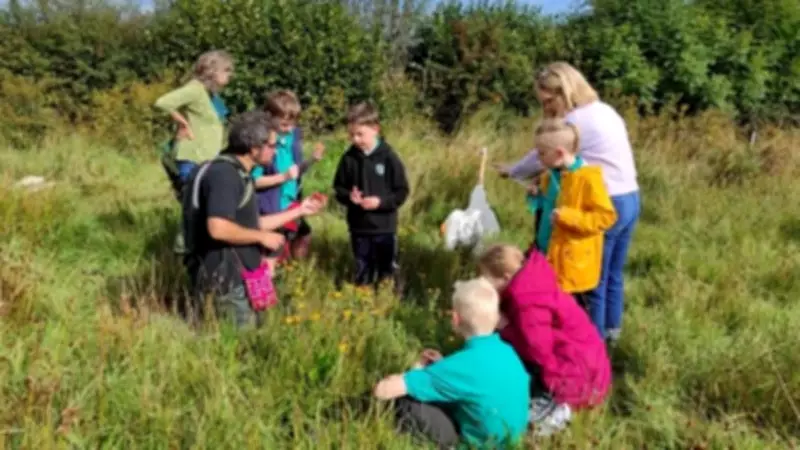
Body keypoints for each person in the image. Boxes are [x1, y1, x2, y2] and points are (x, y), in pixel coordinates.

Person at [496, 61, 641, 344]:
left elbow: (543, 154)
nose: (547, 109)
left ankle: (593, 345)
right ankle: (612, 335)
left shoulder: (576, 122)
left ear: (565, 92)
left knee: (592, 281)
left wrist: (513, 171)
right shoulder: (605, 110)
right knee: (613, 274)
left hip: (603, 201)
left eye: (549, 101)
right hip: (631, 198)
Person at [181, 111, 325, 328]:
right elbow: (218, 227)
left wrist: (300, 210)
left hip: (248, 274)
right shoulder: (224, 175)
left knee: (262, 330)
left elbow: (251, 223)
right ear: (254, 147)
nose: (276, 151)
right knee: (241, 341)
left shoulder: (241, 173)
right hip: (227, 278)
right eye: (272, 145)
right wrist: (262, 237)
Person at [373, 278, 530, 449]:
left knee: (408, 402)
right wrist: (442, 366)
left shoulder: (463, 364)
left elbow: (382, 391)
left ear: (455, 319)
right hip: (510, 441)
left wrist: (416, 370)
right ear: (497, 318)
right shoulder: (508, 351)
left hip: (479, 445)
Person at [478, 244, 611, 437]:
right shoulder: (531, 282)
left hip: (578, 374)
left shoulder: (527, 301)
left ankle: (558, 408)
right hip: (586, 361)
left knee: (527, 423)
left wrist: (505, 328)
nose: (485, 286)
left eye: (487, 280)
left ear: (505, 277)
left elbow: (537, 351)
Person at [527, 118, 617, 302]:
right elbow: (545, 208)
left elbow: (605, 217)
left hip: (571, 263)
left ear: (559, 153)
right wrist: (535, 196)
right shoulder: (549, 176)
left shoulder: (588, 178)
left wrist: (567, 217)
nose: (538, 158)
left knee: (570, 309)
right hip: (547, 252)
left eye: (542, 153)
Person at [332, 102, 409, 287]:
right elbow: (338, 188)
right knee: (362, 268)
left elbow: (402, 191)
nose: (355, 139)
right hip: (359, 227)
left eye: (360, 134)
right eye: (351, 135)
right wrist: (349, 197)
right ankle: (362, 297)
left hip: (384, 227)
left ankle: (388, 297)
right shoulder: (348, 158)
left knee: (386, 270)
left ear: (375, 129)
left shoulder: (389, 157)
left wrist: (380, 202)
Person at [251, 90, 325, 271]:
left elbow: (295, 171)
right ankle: (266, 283)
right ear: (269, 118)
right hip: (272, 206)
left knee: (303, 234)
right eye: (284, 124)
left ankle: (296, 272)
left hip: (292, 201)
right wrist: (282, 177)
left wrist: (311, 160)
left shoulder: (291, 138)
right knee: (272, 249)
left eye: (293, 124)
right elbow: (254, 181)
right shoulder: (264, 143)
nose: (289, 128)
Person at [155, 49, 234, 184]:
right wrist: (183, 123)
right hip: (192, 158)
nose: (230, 75)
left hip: (207, 158)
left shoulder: (210, 93)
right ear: (212, 71)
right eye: (226, 70)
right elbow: (162, 103)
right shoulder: (195, 89)